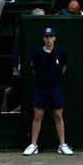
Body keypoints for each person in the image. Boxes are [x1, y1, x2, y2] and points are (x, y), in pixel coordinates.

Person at [23, 26, 72, 155]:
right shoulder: (37, 53)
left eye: (51, 36)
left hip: (56, 88)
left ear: (55, 38)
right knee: (38, 116)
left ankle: (62, 145)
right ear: (43, 38)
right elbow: (34, 70)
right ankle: (33, 145)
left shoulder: (61, 52)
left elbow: (64, 68)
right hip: (41, 88)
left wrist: (56, 79)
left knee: (58, 115)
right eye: (46, 36)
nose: (49, 39)